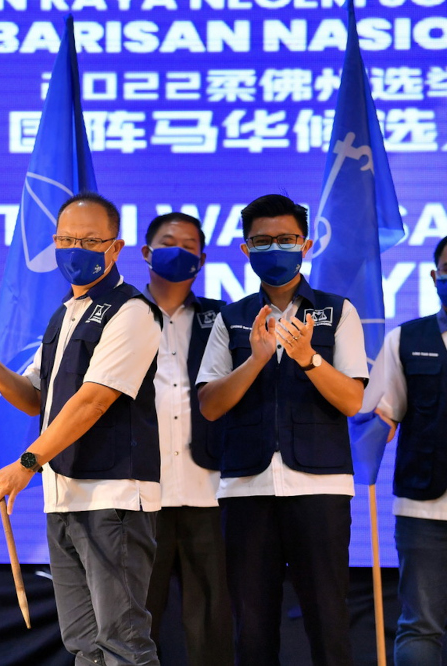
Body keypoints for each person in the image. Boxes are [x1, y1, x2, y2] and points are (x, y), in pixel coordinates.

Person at [0, 192, 162, 665]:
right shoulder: (64, 314)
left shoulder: (131, 312)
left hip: (113, 500)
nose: (77, 249)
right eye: (67, 239)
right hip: (65, 497)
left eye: (91, 240)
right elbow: (34, 397)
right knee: (85, 646)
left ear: (116, 247)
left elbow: (92, 401)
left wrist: (26, 464)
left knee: (123, 642)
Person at [196, 194, 368, 666]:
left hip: (320, 486)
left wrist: (308, 358)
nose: (275, 248)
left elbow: (353, 400)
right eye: (263, 241)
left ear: (306, 245)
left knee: (328, 621)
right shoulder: (231, 319)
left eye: (286, 239)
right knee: (252, 629)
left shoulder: (337, 312)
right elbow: (209, 406)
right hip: (246, 488)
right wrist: (254, 359)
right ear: (245, 249)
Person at [139, 212, 232, 665]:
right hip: (141, 491)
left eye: (189, 244)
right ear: (145, 253)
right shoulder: (121, 315)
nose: (179, 250)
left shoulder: (223, 318)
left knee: (212, 621)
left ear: (203, 257)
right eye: (168, 241)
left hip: (209, 489)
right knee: (138, 617)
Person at [363, 235, 447, 664]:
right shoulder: (405, 339)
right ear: (435, 277)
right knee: (420, 628)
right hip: (424, 511)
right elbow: (381, 417)